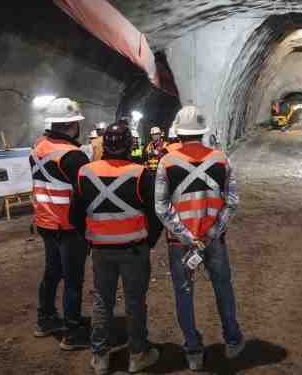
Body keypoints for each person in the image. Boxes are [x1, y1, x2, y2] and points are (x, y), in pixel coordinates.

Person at [155, 106, 245, 370]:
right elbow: (232, 201)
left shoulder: (167, 162)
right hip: (213, 241)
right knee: (223, 288)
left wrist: (185, 235)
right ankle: (232, 340)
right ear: (202, 132)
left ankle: (193, 352)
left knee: (184, 294)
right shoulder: (220, 159)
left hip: (180, 244)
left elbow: (161, 207)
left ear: (179, 133)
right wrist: (212, 232)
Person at [70, 123, 163, 374]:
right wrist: (149, 241)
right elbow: (155, 216)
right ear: (128, 145)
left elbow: (74, 215)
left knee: (102, 301)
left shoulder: (84, 173)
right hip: (134, 249)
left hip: (101, 249)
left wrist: (90, 237)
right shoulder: (141, 174)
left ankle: (100, 357)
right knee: (134, 302)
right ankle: (137, 354)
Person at [30, 98, 91, 350]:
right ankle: (73, 332)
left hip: (45, 223)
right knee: (73, 280)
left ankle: (45, 320)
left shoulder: (38, 147)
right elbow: (87, 192)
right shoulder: (73, 156)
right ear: (71, 126)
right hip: (68, 227)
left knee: (52, 273)